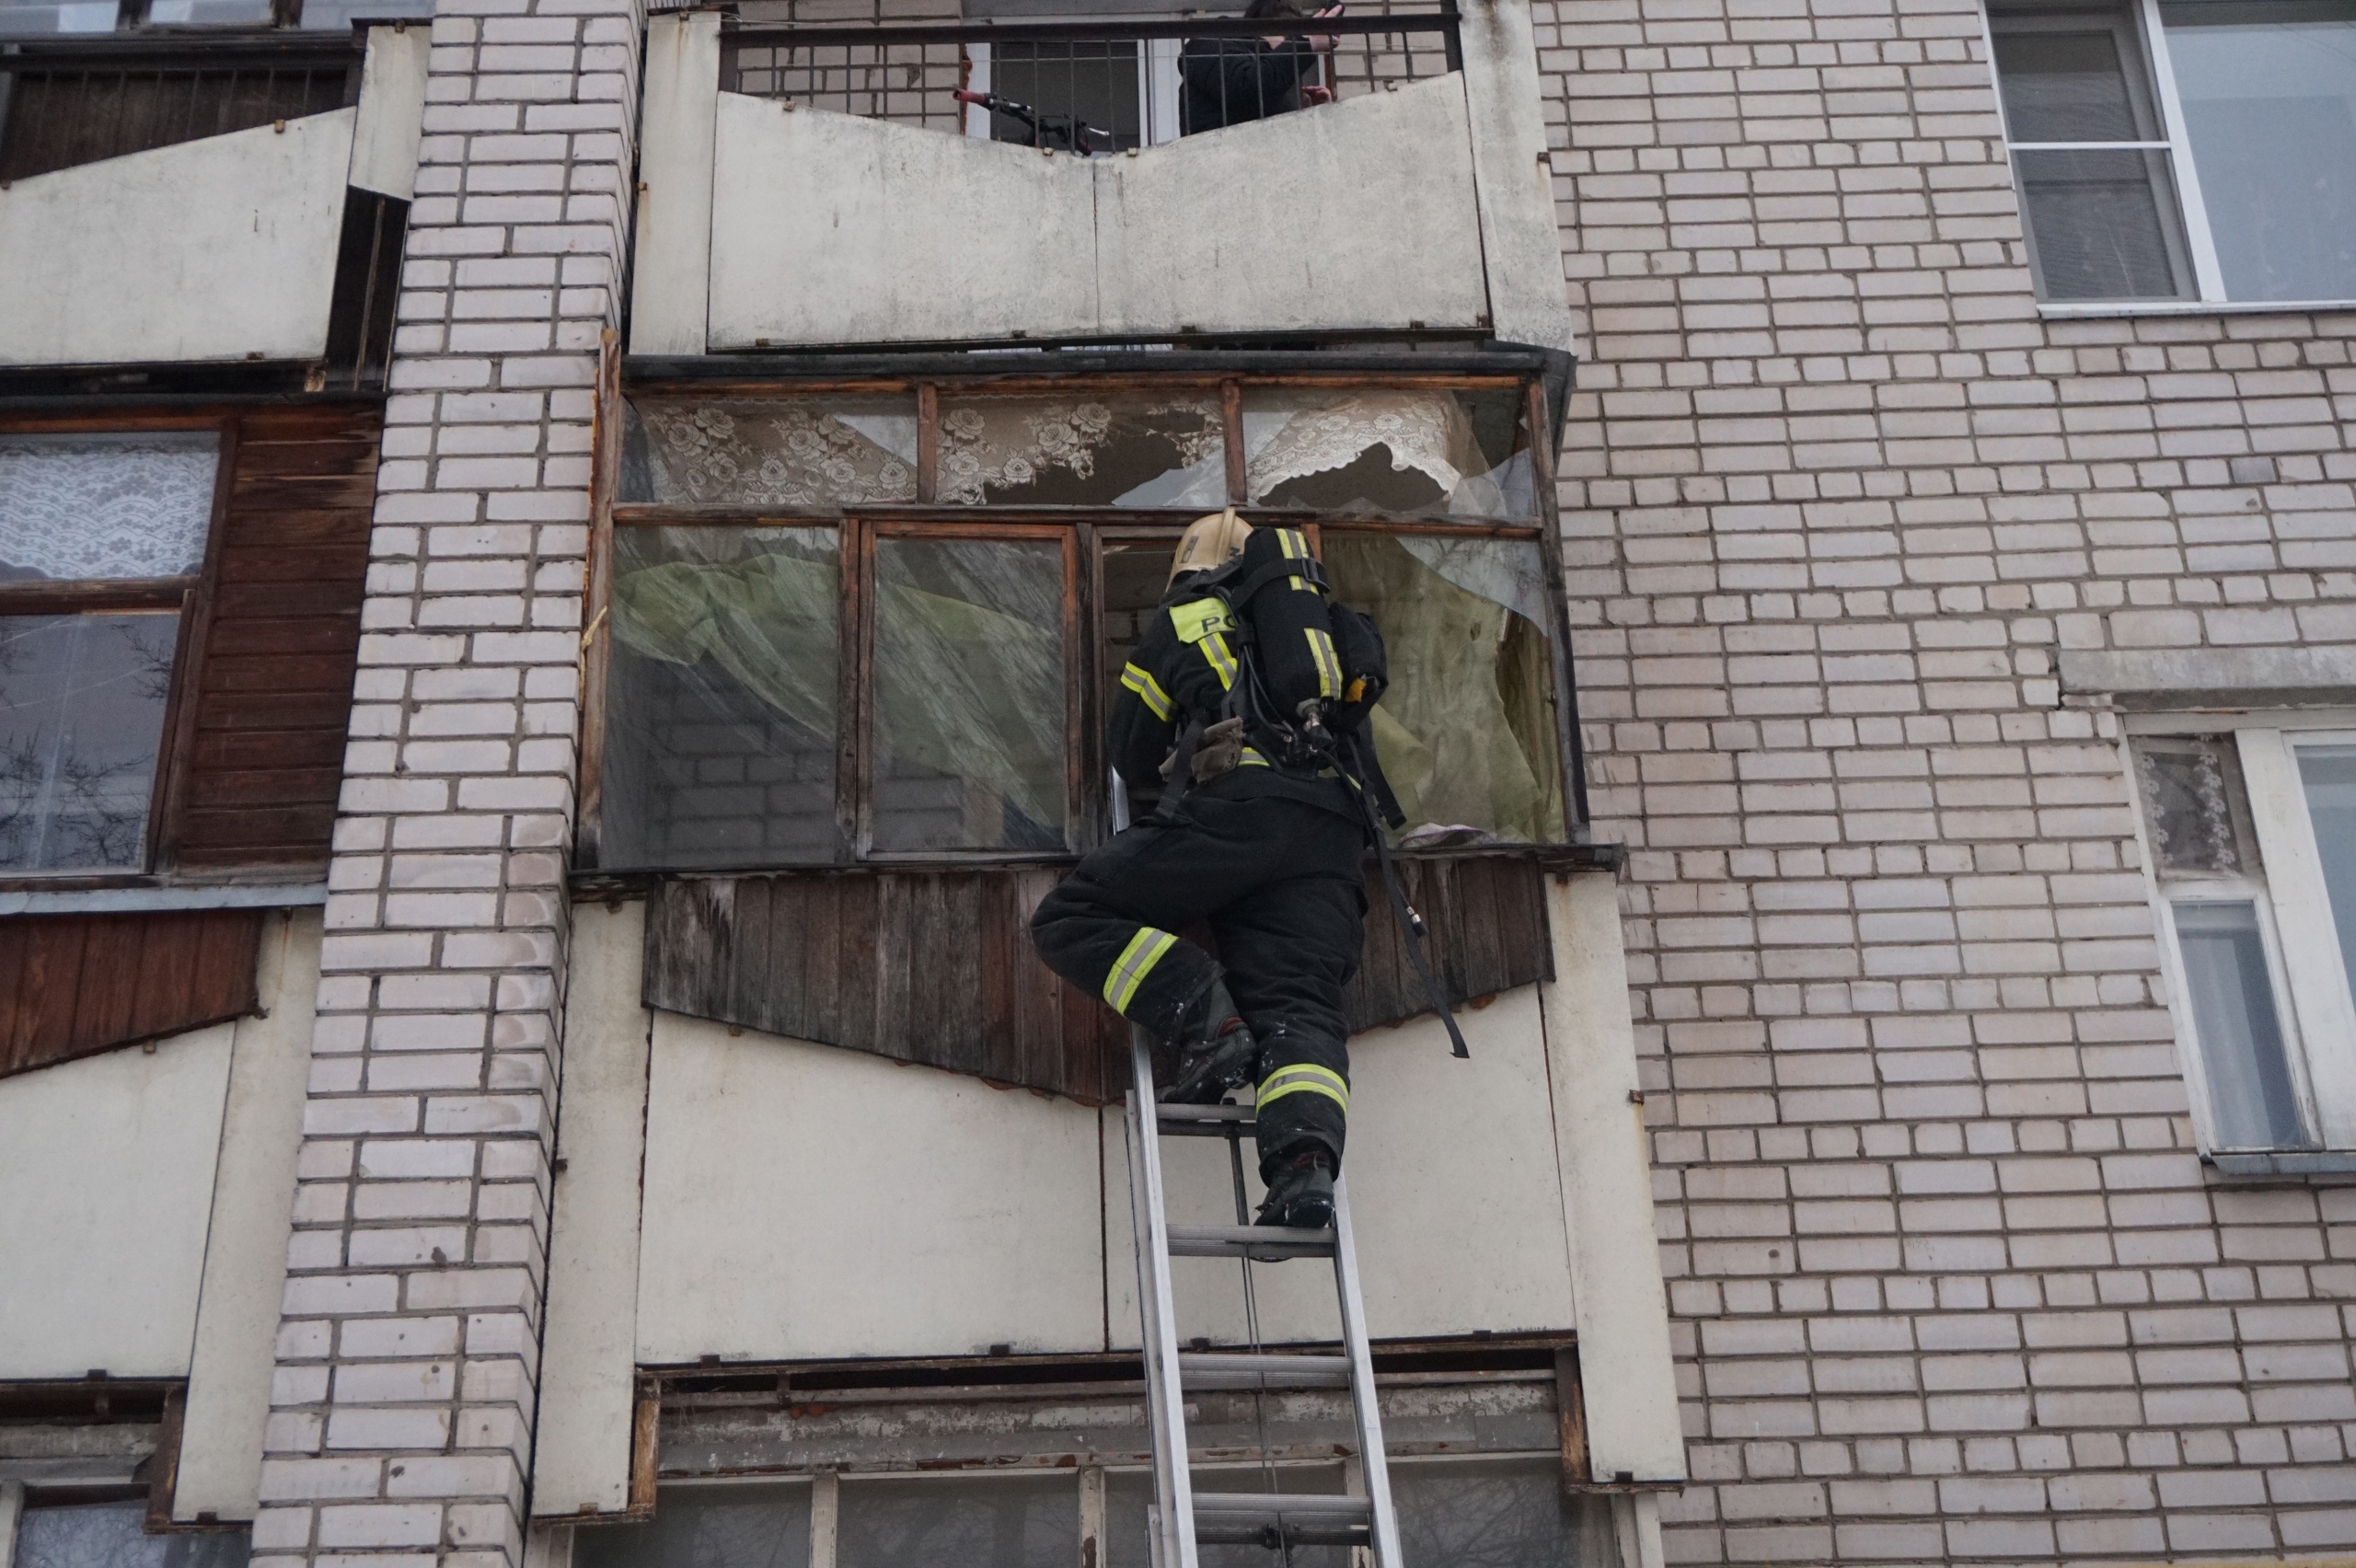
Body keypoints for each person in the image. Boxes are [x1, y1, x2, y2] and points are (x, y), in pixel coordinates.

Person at [1030, 510, 1391, 1230]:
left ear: (1189, 568)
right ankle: (1303, 1169)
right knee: (1301, 1008)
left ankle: (1208, 1020)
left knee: (1069, 919)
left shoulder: (1187, 617)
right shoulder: (1327, 636)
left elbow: (1130, 753)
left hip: (1240, 814)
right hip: (1331, 839)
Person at [1179, 0, 1343, 136]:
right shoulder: (1211, 43)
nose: (1281, 53)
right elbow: (1246, 89)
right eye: (1286, 43)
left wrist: (1313, 115)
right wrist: (1306, 44)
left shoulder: (1271, 71)